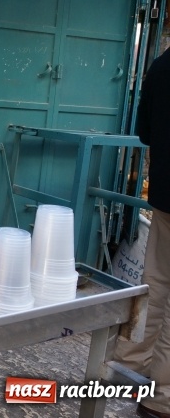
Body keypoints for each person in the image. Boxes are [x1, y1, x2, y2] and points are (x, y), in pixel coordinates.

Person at [112, 47, 170, 418]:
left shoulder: (162, 65)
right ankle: (161, 399)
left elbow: (145, 133)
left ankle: (129, 365)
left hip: (165, 196)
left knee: (157, 285)